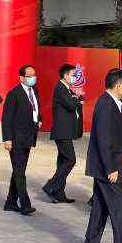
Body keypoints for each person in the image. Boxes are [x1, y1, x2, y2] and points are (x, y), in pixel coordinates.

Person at [80, 68, 122, 243]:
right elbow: (105, 140)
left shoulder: (113, 103)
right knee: (121, 209)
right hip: (108, 169)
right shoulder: (106, 105)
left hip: (108, 166)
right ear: (118, 85)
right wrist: (111, 168)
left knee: (100, 208)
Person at [1, 65, 41, 215]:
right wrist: (7, 139)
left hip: (29, 137)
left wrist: (39, 120)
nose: (33, 78)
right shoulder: (14, 94)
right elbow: (7, 117)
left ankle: (10, 202)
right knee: (19, 172)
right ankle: (25, 204)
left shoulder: (34, 91)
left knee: (19, 171)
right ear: (22, 78)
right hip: (16, 138)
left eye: (34, 75)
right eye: (29, 76)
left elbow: (35, 109)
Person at [43, 63, 83, 204]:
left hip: (66, 131)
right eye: (73, 75)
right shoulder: (60, 88)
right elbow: (71, 105)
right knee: (70, 159)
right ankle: (50, 186)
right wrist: (76, 98)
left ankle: (59, 193)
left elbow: (74, 103)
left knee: (62, 162)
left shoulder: (67, 89)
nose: (74, 77)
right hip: (62, 132)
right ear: (66, 75)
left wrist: (76, 98)